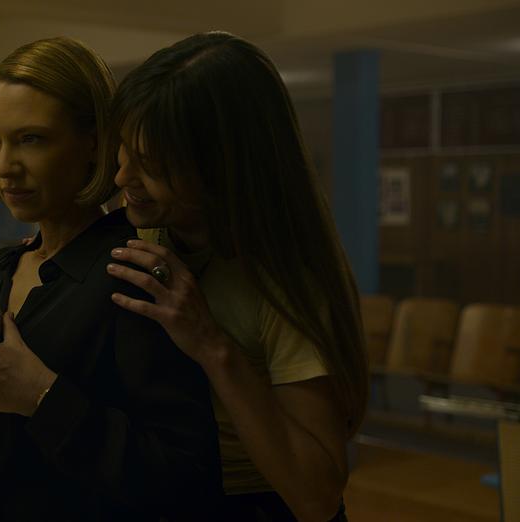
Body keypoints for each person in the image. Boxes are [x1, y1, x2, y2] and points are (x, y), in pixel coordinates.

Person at [0, 37, 223, 521]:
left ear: (94, 143)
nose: (4, 167)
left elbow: (183, 477)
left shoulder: (135, 275)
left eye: (31, 139)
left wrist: (40, 396)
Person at [104, 32, 367, 521]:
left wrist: (212, 345)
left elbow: (316, 498)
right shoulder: (146, 230)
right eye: (123, 150)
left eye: (151, 165)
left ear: (219, 169)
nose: (122, 178)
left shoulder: (284, 283)